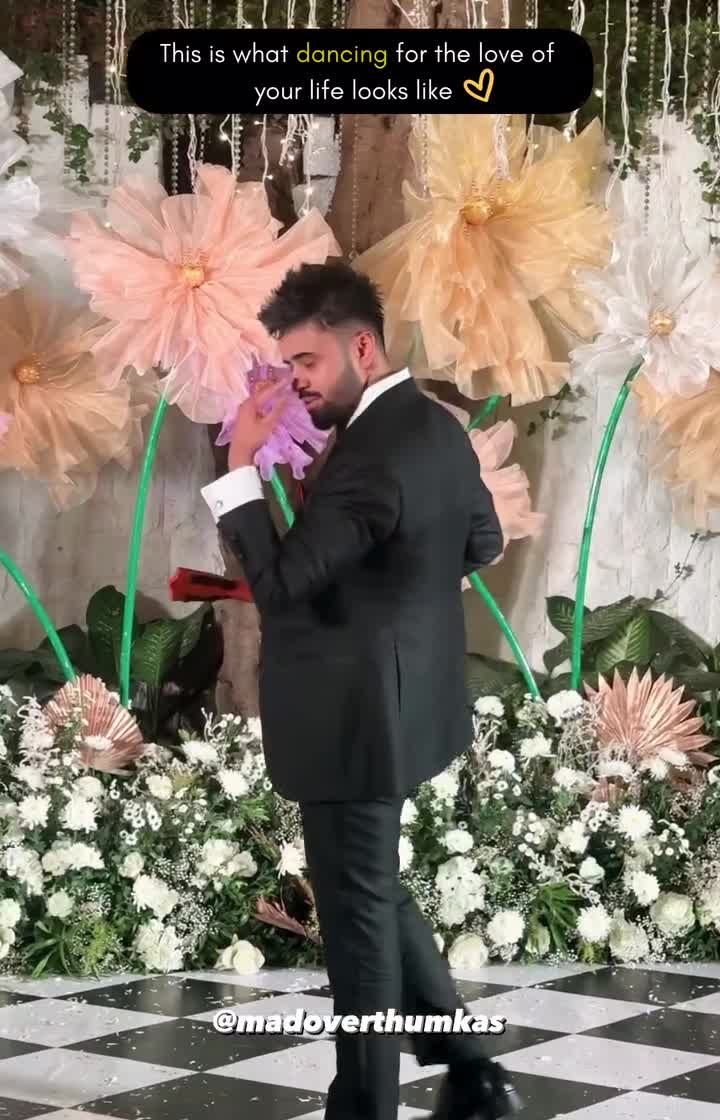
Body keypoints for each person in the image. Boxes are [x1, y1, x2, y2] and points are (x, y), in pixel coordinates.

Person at [201, 260, 517, 1120]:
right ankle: (471, 1070)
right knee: (368, 888)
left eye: (307, 362)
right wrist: (395, 599)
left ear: (363, 347)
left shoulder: (370, 457)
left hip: (354, 716)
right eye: (290, 365)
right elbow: (480, 542)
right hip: (402, 706)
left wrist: (239, 462)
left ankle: (366, 1105)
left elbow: (281, 586)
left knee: (358, 918)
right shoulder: (435, 427)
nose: (296, 383)